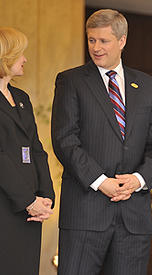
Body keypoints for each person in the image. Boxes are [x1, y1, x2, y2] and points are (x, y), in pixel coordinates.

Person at [51, 9, 152, 275]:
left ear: (122, 41)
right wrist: (101, 181)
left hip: (133, 217)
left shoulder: (147, 85)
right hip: (85, 212)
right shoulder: (71, 81)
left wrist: (138, 179)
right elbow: (64, 139)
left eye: (103, 41)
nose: (96, 47)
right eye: (91, 40)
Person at [0, 27, 55, 275]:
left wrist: (45, 196)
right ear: (6, 56)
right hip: (7, 205)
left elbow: (36, 147)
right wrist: (28, 201)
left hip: (30, 209)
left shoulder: (20, 96)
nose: (25, 59)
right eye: (20, 53)